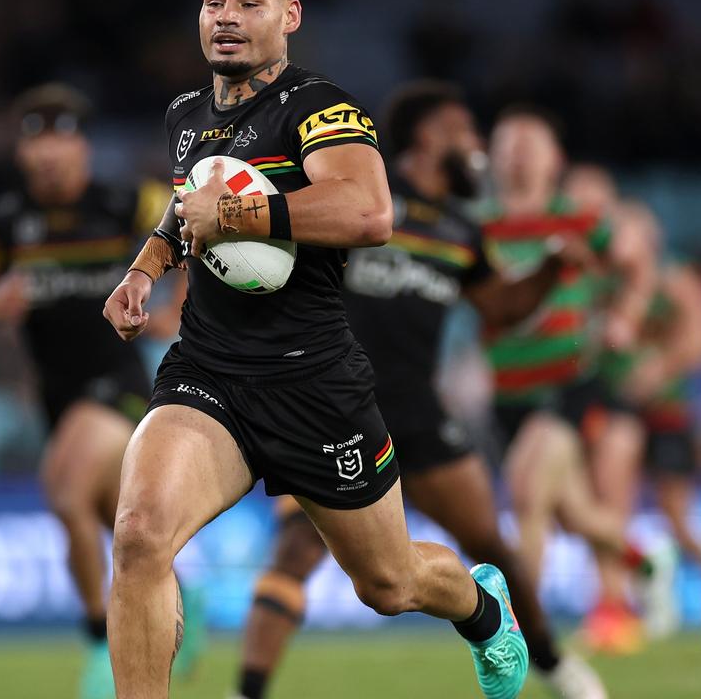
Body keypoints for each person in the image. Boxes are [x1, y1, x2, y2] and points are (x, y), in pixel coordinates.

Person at [103, 0, 528, 699]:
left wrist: (234, 213)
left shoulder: (319, 110)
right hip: (209, 374)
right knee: (138, 537)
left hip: (314, 383)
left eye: (250, 1)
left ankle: (482, 607)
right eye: (214, 0)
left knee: (390, 585)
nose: (227, 17)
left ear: (290, 15)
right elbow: (186, 205)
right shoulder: (185, 115)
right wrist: (145, 270)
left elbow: (369, 212)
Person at [231, 81, 607, 699]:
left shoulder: (462, 230)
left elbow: (503, 306)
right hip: (334, 410)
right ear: (431, 137)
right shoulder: (360, 201)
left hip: (418, 412)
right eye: (466, 133)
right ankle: (244, 693)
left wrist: (551, 265)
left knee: (492, 547)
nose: (477, 147)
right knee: (295, 552)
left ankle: (553, 667)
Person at [0, 83, 190, 699]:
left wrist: (181, 308)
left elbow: (195, 225)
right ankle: (187, 601)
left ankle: (97, 646)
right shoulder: (6, 223)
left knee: (63, 488)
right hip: (56, 395)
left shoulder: (122, 201)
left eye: (61, 138)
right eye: (37, 142)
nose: (49, 154)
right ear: (24, 153)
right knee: (120, 524)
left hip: (118, 382)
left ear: (82, 146)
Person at [482, 111, 657, 653]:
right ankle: (646, 558)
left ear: (554, 157)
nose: (518, 153)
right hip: (506, 392)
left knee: (527, 491)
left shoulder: (579, 218)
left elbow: (637, 262)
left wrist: (626, 315)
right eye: (508, 142)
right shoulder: (481, 225)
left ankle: (522, 633)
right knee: (570, 513)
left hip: (567, 383)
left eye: (531, 142)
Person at [566, 168, 701, 641]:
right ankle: (614, 608)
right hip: (620, 407)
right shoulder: (599, 283)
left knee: (676, 514)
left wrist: (660, 369)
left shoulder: (676, 279)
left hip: (668, 409)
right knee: (608, 499)